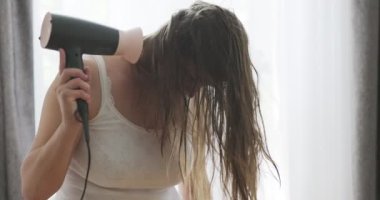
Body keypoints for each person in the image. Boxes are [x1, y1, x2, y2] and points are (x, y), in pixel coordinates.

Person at [21, 1, 278, 200]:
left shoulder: (191, 96)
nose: (193, 92)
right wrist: (70, 126)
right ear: (170, 54)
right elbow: (33, 190)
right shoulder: (88, 81)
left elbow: (194, 185)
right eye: (190, 78)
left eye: (204, 84)